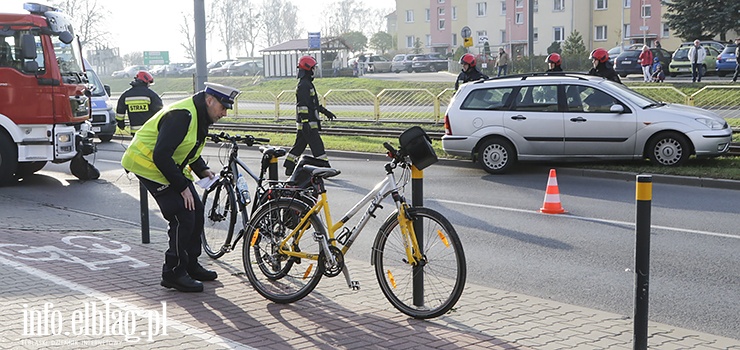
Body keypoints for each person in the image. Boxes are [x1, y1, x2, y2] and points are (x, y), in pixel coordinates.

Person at [121, 82, 240, 293]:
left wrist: (202, 169)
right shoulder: (182, 115)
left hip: (166, 165)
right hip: (146, 163)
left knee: (196, 211)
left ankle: (190, 265)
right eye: (222, 107)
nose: (224, 113)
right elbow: (161, 154)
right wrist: (182, 186)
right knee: (182, 215)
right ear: (209, 100)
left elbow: (188, 148)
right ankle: (173, 273)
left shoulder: (199, 116)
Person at [284, 56, 337, 176]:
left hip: (307, 123)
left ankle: (289, 165)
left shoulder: (307, 84)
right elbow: (302, 105)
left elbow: (312, 104)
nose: (314, 70)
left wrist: (324, 111)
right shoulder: (303, 85)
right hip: (307, 123)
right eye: (313, 68)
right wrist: (306, 121)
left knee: (299, 146)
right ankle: (325, 167)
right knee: (317, 146)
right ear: (308, 69)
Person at [115, 71, 163, 135]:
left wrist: (121, 124)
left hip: (135, 132)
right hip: (149, 131)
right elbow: (160, 111)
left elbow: (120, 113)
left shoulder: (126, 95)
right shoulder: (151, 94)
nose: (149, 85)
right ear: (145, 82)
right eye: (149, 83)